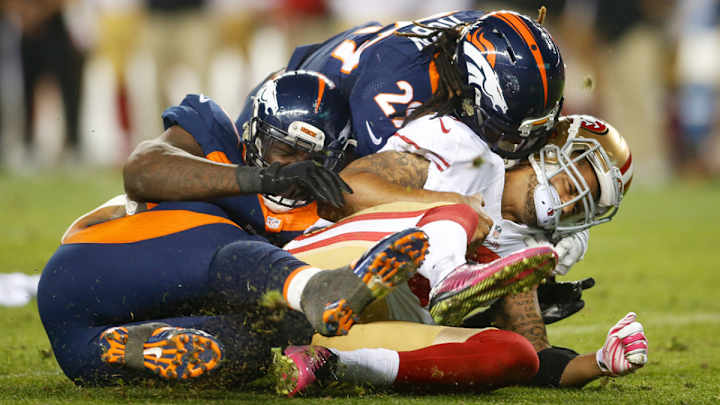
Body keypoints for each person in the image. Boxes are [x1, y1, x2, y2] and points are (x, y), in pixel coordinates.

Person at [37, 71, 430, 385]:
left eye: (311, 160)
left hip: (81, 342)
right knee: (231, 246)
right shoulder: (213, 142)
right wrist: (265, 179)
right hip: (89, 269)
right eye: (283, 151)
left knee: (258, 346)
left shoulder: (321, 214)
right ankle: (317, 288)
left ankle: (122, 346)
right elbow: (140, 170)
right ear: (255, 135)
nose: (295, 168)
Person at [271, 115, 646, 395]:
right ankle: (449, 277)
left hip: (356, 324)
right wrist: (450, 206)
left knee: (514, 353)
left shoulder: (525, 247)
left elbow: (537, 355)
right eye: (570, 187)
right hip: (320, 270)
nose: (567, 206)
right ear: (546, 152)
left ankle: (332, 365)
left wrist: (599, 363)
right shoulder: (469, 155)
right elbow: (342, 191)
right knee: (463, 210)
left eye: (580, 207)